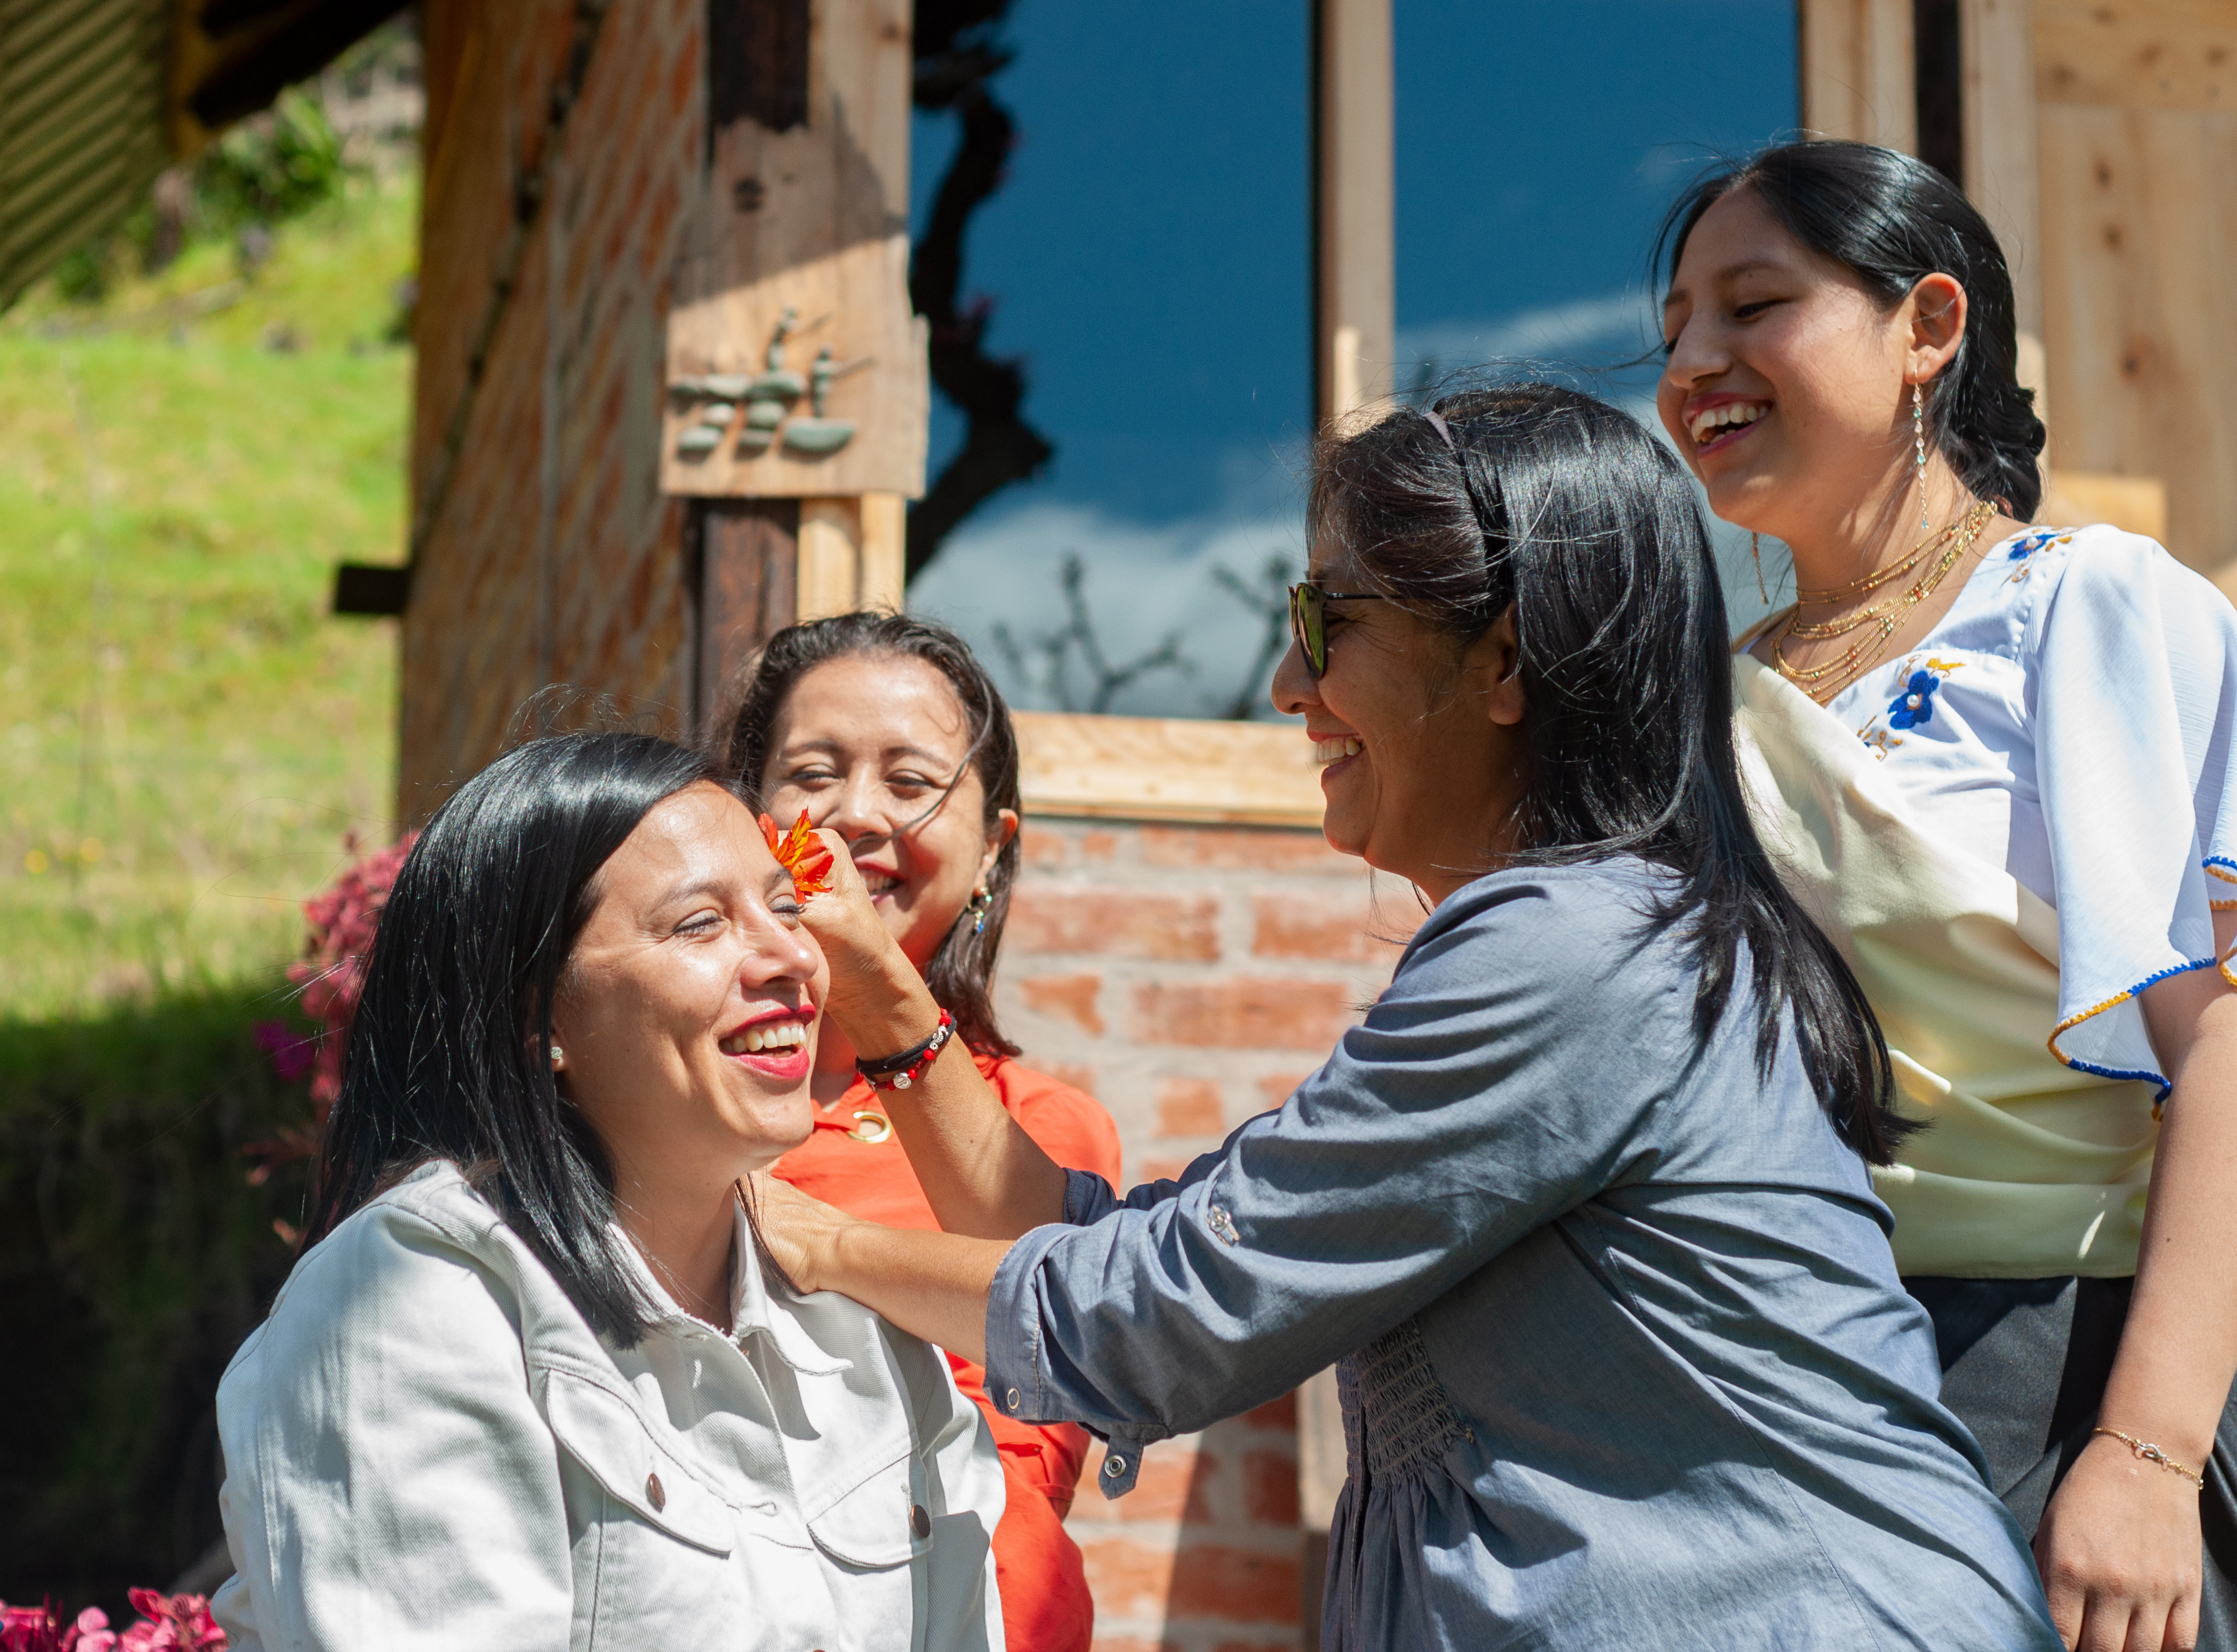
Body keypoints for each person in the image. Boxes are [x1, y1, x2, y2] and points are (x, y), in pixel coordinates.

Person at [747, 385, 2064, 1650]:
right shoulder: (1599, 940)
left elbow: (1159, 1308)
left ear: (1500, 657)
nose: (1281, 682)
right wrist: (885, 1002)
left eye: (1327, 625)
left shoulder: (1573, 952)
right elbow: (1118, 1251)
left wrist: (793, 1233)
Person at [1655, 139, 2237, 1652]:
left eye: (1751, 305)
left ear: (1928, 325)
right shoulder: (1700, 715)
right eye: (1672, 335)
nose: (1695, 364)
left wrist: (2150, 1450)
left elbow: (2226, 1047)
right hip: (1774, 1402)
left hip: (2045, 1382)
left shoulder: (2091, 607)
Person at [209, 733, 1007, 1652]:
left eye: (788, 908)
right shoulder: (416, 1304)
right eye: (699, 924)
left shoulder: (863, 1334)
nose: (789, 957)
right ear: (533, 1015)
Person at [717, 612, 1118, 1652]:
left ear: (993, 848)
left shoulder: (1039, 1136)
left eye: (909, 783)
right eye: (812, 773)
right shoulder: (669, 1090)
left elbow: (1023, 1447)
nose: (853, 816)